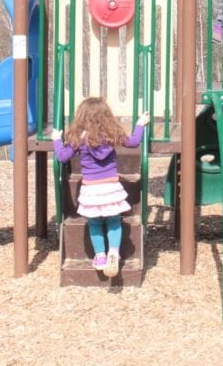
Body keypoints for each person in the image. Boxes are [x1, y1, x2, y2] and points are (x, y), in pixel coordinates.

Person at [51, 97, 150, 277]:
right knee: (113, 221)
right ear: (106, 116)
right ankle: (114, 252)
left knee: (95, 223)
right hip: (111, 188)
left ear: (81, 117)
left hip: (92, 190)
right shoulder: (112, 134)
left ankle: (100, 256)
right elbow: (135, 142)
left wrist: (57, 140)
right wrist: (140, 124)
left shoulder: (78, 137)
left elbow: (63, 157)